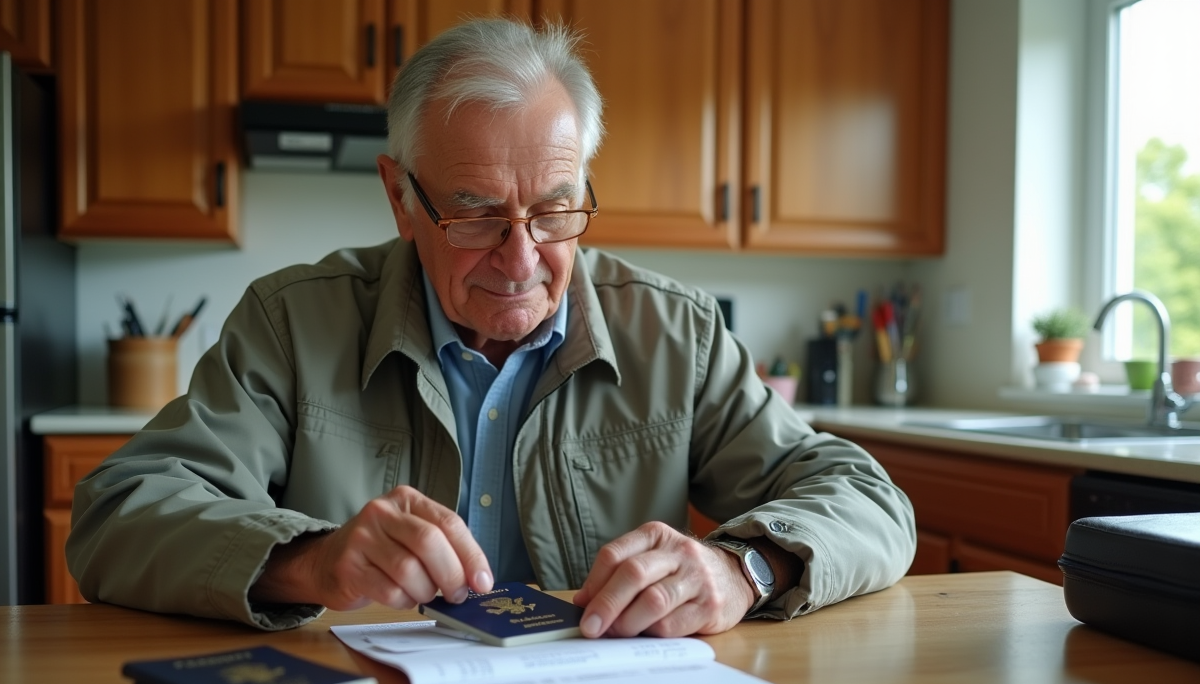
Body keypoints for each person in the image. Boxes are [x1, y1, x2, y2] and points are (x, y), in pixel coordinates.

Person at [68, 18, 914, 635]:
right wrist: (310, 560)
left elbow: (871, 501)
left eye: (554, 212)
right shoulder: (294, 322)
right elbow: (118, 515)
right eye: (474, 216)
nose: (521, 259)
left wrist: (744, 567)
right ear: (401, 196)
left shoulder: (675, 333)